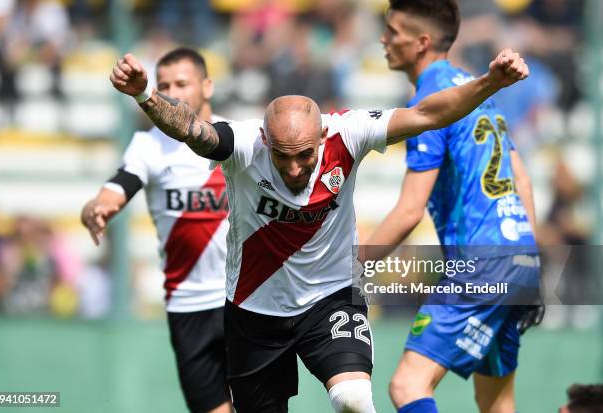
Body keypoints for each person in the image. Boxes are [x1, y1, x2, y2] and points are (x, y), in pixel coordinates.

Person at [109, 45, 529, 412]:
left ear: (323, 135)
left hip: (331, 298)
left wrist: (490, 82)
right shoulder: (242, 144)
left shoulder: (350, 132)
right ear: (266, 141)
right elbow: (189, 128)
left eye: (305, 156)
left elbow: (426, 112)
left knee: (353, 399)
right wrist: (145, 94)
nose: (294, 169)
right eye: (283, 157)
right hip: (254, 308)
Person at [363, 1, 541, 412]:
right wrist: (530, 263)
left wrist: (351, 267)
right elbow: (523, 179)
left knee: (408, 385)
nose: (383, 39)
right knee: (496, 402)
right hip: (518, 258)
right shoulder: (476, 89)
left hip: (479, 263)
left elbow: (410, 211)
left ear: (421, 42)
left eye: (393, 31)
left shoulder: (434, 102)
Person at [82, 47, 232, 413]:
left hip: (242, 299)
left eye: (182, 83)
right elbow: (117, 188)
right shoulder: (148, 145)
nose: (172, 92)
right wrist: (96, 208)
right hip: (186, 305)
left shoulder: (234, 138)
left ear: (207, 86)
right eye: (163, 84)